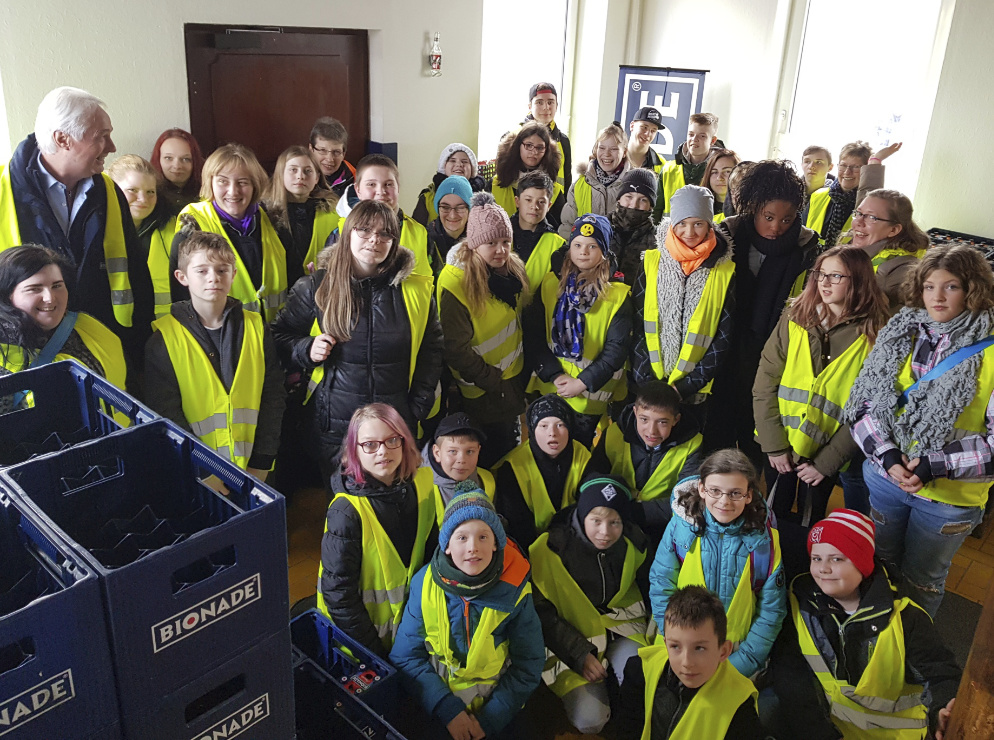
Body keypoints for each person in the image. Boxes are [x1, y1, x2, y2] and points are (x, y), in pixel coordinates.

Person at [844, 243, 994, 617]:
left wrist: (932, 465)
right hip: (885, 478)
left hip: (948, 498)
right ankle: (878, 636)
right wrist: (888, 455)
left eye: (951, 286)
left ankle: (912, 651)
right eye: (929, 286)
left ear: (973, 289)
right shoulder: (902, 333)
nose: (937, 297)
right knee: (880, 562)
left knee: (923, 579)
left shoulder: (989, 350)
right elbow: (863, 402)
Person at [271, 199, 442, 482]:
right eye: (364, 230)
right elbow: (279, 336)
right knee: (345, 511)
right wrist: (306, 348)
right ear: (348, 233)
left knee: (392, 505)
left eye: (385, 233)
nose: (374, 240)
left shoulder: (417, 291)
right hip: (335, 427)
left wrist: (418, 405)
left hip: (395, 424)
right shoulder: (316, 286)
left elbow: (432, 349)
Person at [769, 510, 960, 740]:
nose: (823, 568)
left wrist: (941, 708)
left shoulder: (905, 618)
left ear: (862, 564)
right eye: (816, 558)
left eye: (837, 559)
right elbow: (790, 671)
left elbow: (939, 673)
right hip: (833, 728)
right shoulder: (802, 601)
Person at [0, 86, 154, 367]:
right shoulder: (2, 191)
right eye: (101, 137)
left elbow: (136, 273)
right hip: (21, 358)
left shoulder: (109, 191)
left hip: (104, 350)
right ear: (63, 139)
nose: (112, 147)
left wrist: (139, 345)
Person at [390, 487, 544, 740]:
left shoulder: (516, 589)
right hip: (440, 702)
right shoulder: (424, 584)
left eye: (483, 537)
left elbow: (529, 662)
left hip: (499, 704)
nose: (473, 547)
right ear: (447, 545)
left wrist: (490, 718)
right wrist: (448, 710)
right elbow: (405, 657)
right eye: (461, 538)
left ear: (496, 544)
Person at [754, 247, 889, 524]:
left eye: (835, 276)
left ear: (859, 281)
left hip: (826, 454)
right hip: (781, 444)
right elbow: (765, 382)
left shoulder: (876, 333)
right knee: (771, 516)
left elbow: (869, 410)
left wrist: (825, 464)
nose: (823, 283)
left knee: (812, 520)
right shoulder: (795, 316)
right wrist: (774, 445)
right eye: (820, 274)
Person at [704, 160, 818, 466]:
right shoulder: (726, 237)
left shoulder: (808, 249)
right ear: (753, 208)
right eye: (768, 217)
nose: (776, 227)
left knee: (758, 436)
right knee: (718, 434)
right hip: (723, 352)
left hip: (773, 357)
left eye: (787, 219)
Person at [144, 231, 284, 478]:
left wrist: (262, 461)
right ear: (182, 277)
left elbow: (272, 395)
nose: (214, 278)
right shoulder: (164, 339)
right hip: (196, 473)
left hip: (253, 467)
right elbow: (165, 412)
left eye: (222, 270)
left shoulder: (256, 327)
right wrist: (202, 471)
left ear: (233, 275)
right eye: (202, 271)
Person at [529, 475, 653, 735]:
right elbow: (540, 614)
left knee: (641, 680)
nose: (605, 532)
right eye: (596, 520)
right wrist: (578, 654)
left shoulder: (634, 544)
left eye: (614, 522)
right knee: (590, 720)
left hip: (621, 631)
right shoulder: (549, 550)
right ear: (581, 515)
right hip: (568, 644)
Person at [649, 449, 786, 679]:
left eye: (735, 493)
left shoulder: (766, 543)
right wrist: (675, 646)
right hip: (679, 654)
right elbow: (661, 585)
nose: (724, 501)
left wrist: (742, 664)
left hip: (738, 657)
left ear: (749, 495)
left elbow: (771, 612)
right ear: (701, 489)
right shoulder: (679, 529)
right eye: (715, 491)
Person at [319, 403, 437, 657]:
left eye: (392, 440)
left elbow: (431, 550)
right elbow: (339, 596)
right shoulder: (346, 512)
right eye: (370, 444)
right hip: (363, 642)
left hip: (410, 630)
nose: (383, 451)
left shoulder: (424, 482)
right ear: (354, 451)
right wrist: (373, 654)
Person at [632, 185, 735, 428]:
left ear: (709, 224)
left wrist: (690, 383)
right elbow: (637, 324)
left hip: (694, 389)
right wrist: (645, 379)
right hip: (650, 382)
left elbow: (724, 335)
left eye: (698, 223)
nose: (690, 232)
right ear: (672, 223)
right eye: (682, 223)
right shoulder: (651, 262)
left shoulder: (725, 271)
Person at [526, 214, 633, 448]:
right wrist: (555, 375)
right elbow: (534, 336)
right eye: (577, 245)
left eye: (592, 246)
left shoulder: (617, 296)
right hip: (553, 387)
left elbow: (616, 350)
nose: (583, 252)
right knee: (546, 448)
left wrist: (582, 382)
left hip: (590, 395)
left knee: (578, 451)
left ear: (604, 252)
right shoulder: (549, 285)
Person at [438, 193, 529, 466]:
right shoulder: (456, 284)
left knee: (510, 456)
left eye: (505, 241)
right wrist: (492, 380)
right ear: (475, 244)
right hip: (483, 391)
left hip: (509, 383)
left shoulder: (510, 271)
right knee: (490, 459)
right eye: (491, 242)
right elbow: (456, 349)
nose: (501, 249)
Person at [614, 585, 764, 740]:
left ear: (724, 651)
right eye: (675, 646)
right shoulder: (640, 670)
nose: (686, 662)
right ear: (665, 644)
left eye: (699, 648)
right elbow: (627, 730)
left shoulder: (740, 703)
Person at [171, 143, 287, 322]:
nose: (233, 191)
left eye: (242, 182)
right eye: (223, 181)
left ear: (255, 185)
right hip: (219, 340)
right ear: (210, 182)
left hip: (274, 337)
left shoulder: (274, 222)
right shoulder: (192, 227)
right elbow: (181, 297)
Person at [0, 245, 127, 394]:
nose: (50, 298)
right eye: (34, 289)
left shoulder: (89, 326)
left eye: (57, 286)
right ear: (7, 295)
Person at [590, 382, 703, 542]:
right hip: (614, 518)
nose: (651, 431)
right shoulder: (614, 433)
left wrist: (629, 511)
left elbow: (687, 500)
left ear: (676, 420)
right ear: (635, 412)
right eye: (644, 419)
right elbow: (594, 479)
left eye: (662, 422)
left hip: (665, 523)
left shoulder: (693, 443)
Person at [494, 394, 592, 550]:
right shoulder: (512, 466)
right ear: (532, 429)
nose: (552, 433)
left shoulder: (583, 455)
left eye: (560, 425)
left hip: (575, 542)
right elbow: (516, 524)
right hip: (530, 546)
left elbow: (589, 507)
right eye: (544, 426)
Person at [332, 154, 437, 278]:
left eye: (388, 184)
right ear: (358, 190)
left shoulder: (419, 233)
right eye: (371, 184)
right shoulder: (340, 232)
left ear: (398, 189)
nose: (381, 191)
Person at [106, 155, 176, 318]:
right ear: (113, 189)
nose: (143, 199)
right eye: (133, 190)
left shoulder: (175, 227)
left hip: (166, 329)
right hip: (115, 329)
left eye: (150, 192)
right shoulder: (97, 231)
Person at [263, 145, 339, 287]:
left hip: (319, 290)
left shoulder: (333, 212)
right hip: (278, 294)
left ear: (317, 177)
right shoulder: (264, 214)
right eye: (293, 170)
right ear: (281, 174)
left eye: (308, 171)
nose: (300, 176)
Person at [804, 141, 901, 248]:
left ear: (866, 171)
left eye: (856, 167)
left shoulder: (867, 204)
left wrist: (875, 162)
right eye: (843, 165)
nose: (847, 172)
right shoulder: (818, 196)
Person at [850, 188, 930, 312]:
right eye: (859, 213)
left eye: (872, 218)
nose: (858, 222)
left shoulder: (901, 270)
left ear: (893, 230)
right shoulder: (858, 248)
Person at [558, 122, 630, 238]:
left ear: (624, 152)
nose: (606, 154)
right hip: (583, 253)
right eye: (602, 148)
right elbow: (567, 226)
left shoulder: (632, 187)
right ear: (596, 149)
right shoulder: (579, 185)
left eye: (613, 149)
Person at [423, 412, 496, 525]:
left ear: (478, 451)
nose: (462, 460)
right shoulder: (418, 486)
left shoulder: (487, 480)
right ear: (437, 453)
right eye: (453, 451)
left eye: (470, 451)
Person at [488, 122, 564, 227]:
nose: (534, 152)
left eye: (540, 147)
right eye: (529, 145)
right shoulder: (495, 184)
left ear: (546, 151)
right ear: (518, 146)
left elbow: (557, 228)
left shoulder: (554, 190)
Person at [651, 112, 720, 222]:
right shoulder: (668, 169)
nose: (694, 139)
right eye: (691, 134)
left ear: (712, 140)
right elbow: (656, 212)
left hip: (709, 237)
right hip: (669, 237)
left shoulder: (719, 172)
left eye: (702, 136)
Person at [518, 82, 572, 218]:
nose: (546, 108)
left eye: (550, 102)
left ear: (557, 106)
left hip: (553, 207)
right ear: (530, 106)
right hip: (522, 206)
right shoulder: (515, 137)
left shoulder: (563, 140)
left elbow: (567, 179)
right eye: (539, 102)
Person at [509, 171, 565, 295]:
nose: (534, 207)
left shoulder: (558, 244)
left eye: (541, 202)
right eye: (528, 200)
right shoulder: (499, 234)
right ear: (517, 201)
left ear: (549, 205)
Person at [412, 143, 485, 227]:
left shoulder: (483, 199)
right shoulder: (428, 198)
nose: (459, 165)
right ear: (444, 166)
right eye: (452, 161)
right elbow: (416, 231)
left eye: (464, 161)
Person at [608, 168, 658, 286]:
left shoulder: (657, 240)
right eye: (629, 197)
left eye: (643, 200)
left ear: (650, 206)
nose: (634, 205)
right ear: (619, 198)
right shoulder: (601, 229)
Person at [150, 128, 205, 214]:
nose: (177, 166)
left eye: (186, 159)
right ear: (158, 159)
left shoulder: (208, 192)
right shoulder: (149, 194)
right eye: (168, 158)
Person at [427, 175, 472, 263]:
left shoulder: (480, 243)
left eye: (460, 207)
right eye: (445, 207)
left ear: (469, 209)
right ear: (438, 208)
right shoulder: (424, 240)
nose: (452, 215)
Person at [309, 116, 355, 197]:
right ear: (311, 149)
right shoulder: (299, 177)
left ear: (344, 154)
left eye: (336, 152)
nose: (330, 159)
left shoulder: (355, 178)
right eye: (323, 150)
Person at [700, 148, 739, 223]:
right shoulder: (698, 205)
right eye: (714, 172)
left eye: (727, 171)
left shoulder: (747, 209)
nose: (719, 178)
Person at [625, 106, 664, 173]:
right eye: (644, 127)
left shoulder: (662, 164)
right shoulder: (615, 155)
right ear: (632, 126)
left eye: (653, 131)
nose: (647, 134)